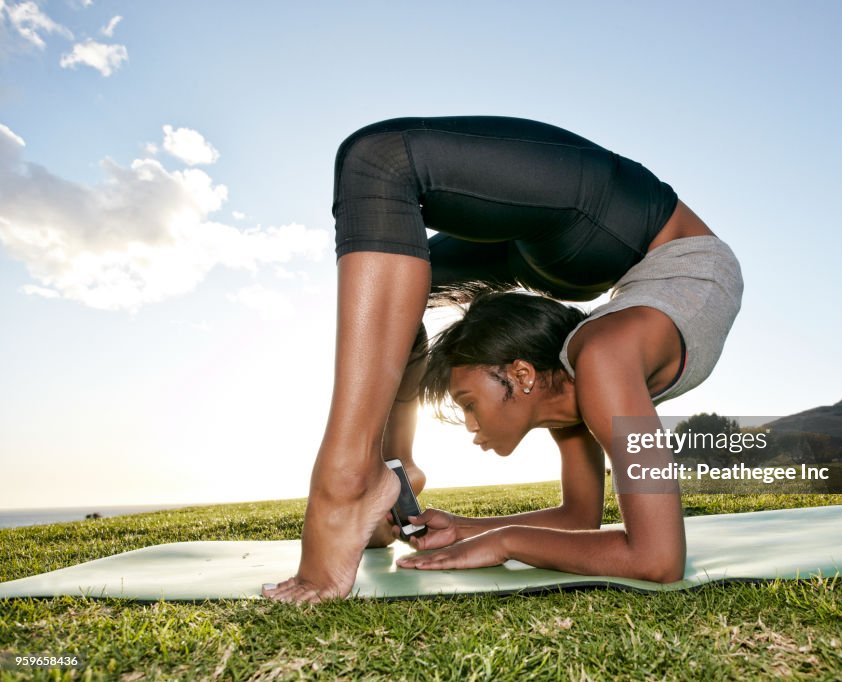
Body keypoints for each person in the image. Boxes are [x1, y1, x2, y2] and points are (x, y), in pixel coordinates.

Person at [262, 116, 742, 603]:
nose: (470, 423)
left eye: (468, 401)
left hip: (639, 228)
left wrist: (503, 541)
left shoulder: (602, 359)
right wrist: (464, 528)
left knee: (379, 161)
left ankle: (350, 479)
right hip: (605, 257)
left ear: (522, 374)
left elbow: (658, 559)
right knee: (396, 284)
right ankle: (392, 470)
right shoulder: (577, 385)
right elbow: (579, 522)